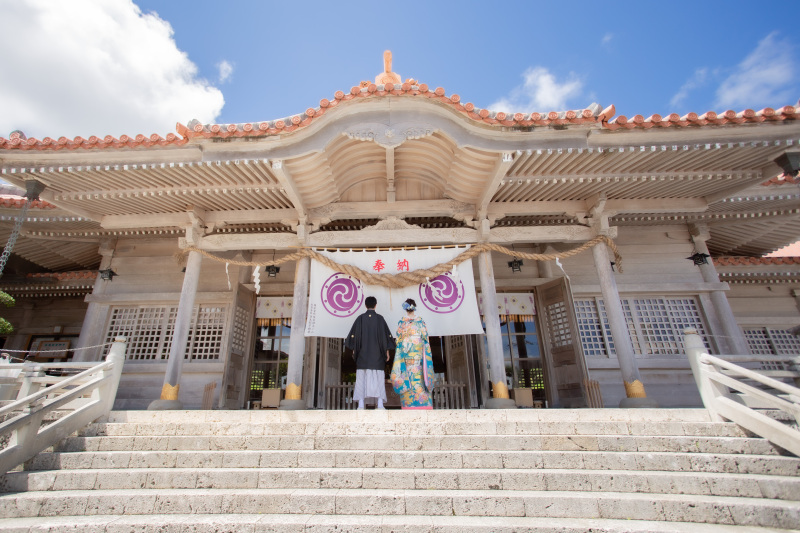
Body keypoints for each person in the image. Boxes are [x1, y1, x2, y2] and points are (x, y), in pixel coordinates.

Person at [345, 296, 393, 410]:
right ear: (375, 305)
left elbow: (354, 337)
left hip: (363, 356)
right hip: (377, 356)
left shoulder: (360, 319)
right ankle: (380, 404)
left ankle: (361, 405)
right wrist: (387, 352)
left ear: (365, 305)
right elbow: (386, 337)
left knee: (361, 380)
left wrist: (354, 350)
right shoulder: (380, 319)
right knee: (379, 380)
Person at [390, 298, 434, 410]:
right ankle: (423, 405)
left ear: (405, 309)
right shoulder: (421, 322)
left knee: (407, 381)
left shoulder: (402, 324)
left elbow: (398, 341)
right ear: (414, 307)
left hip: (406, 359)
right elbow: (426, 339)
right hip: (419, 358)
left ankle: (408, 406)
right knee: (420, 381)